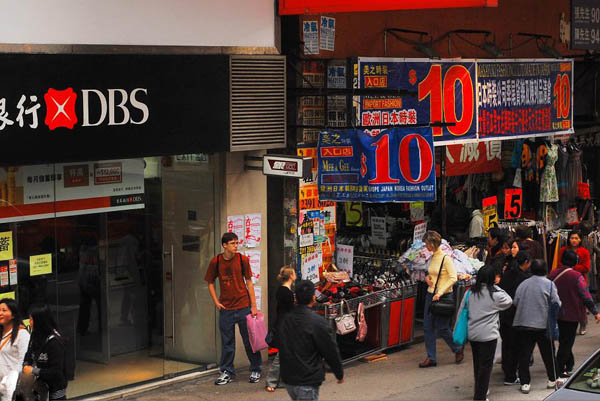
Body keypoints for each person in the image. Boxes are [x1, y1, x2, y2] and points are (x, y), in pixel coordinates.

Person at [205, 232, 261, 385]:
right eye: (232, 243)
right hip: (226, 308)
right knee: (227, 342)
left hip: (244, 306)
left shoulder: (243, 260)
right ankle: (227, 372)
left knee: (249, 340)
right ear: (224, 245)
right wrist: (216, 301)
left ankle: (256, 368)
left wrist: (254, 306)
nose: (236, 246)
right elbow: (210, 282)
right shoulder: (216, 261)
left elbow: (249, 282)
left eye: (237, 243)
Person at [278, 280, 343, 401]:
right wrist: (339, 372)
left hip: (289, 378)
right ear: (313, 298)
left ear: (295, 298)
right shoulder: (317, 322)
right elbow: (330, 350)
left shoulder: (287, 320)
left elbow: (281, 345)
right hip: (307, 378)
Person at [456, 266, 512, 400]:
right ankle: (480, 396)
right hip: (488, 335)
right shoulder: (496, 295)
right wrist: (496, 286)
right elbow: (509, 301)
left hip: (473, 334)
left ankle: (481, 390)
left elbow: (461, 311)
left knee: (478, 364)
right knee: (485, 367)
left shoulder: (470, 293)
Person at [548, 249, 600, 379]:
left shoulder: (552, 274)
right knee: (566, 342)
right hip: (571, 314)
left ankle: (568, 364)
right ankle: (558, 370)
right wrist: (595, 312)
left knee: (563, 340)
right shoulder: (577, 276)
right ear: (575, 262)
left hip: (555, 313)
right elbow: (586, 296)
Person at [512, 259, 561, 394]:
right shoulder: (549, 284)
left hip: (524, 324)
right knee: (548, 353)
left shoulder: (523, 284)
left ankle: (525, 383)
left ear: (531, 269)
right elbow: (556, 302)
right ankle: (552, 379)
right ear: (545, 270)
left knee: (525, 355)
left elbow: (515, 301)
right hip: (542, 324)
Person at [419, 231, 463, 368]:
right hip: (430, 295)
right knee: (428, 327)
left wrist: (440, 292)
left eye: (426, 243)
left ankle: (457, 348)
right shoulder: (432, 257)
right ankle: (431, 357)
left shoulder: (446, 258)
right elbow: (430, 273)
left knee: (442, 327)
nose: (425, 246)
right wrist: (427, 278)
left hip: (443, 296)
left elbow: (453, 278)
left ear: (432, 243)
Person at [498, 251, 531, 386]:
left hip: (504, 315)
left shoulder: (507, 274)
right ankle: (511, 375)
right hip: (517, 316)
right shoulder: (524, 278)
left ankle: (507, 371)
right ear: (526, 263)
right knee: (516, 346)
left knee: (507, 345)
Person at [22, 304, 67, 400]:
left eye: (31, 320)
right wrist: (26, 365)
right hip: (37, 388)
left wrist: (34, 371)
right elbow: (29, 354)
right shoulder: (35, 334)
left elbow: (56, 372)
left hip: (54, 391)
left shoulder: (55, 342)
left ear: (39, 322)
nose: (29, 322)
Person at [265, 266, 296, 393]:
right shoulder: (287, 293)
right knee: (281, 356)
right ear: (291, 276)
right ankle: (271, 381)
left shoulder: (282, 290)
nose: (295, 275)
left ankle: (284, 380)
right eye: (294, 273)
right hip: (286, 326)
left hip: (283, 324)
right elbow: (290, 311)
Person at [557, 229, 591, 335]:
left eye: (576, 238)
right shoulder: (563, 250)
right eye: (572, 238)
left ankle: (583, 323)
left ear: (580, 239)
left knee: (581, 303)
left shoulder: (584, 252)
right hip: (565, 280)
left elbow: (586, 268)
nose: (574, 240)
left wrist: (573, 267)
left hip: (580, 280)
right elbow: (559, 264)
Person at [0, 299, 30, 378]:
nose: (0, 313)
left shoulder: (22, 334)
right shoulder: (2, 333)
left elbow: (24, 362)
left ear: (13, 315)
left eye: (4, 310)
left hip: (13, 384)